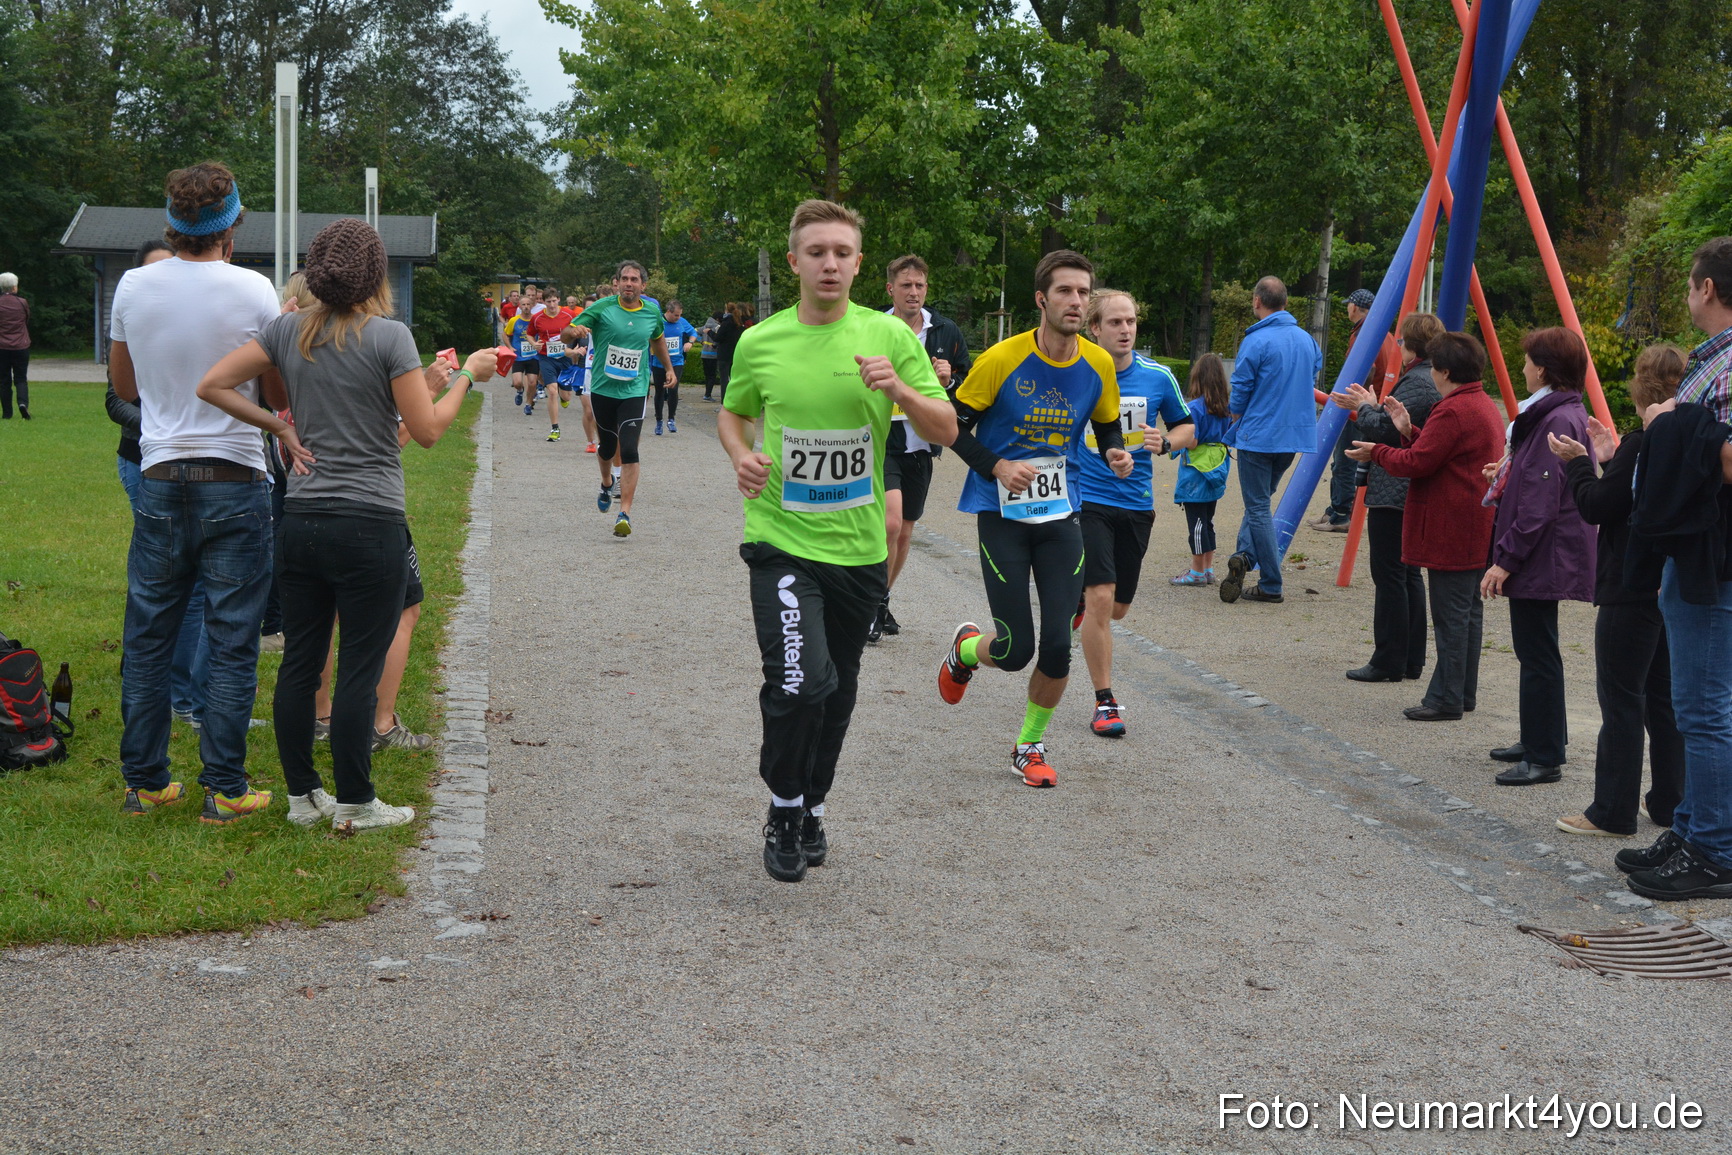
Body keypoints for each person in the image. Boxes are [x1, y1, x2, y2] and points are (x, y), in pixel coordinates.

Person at [197, 217, 495, 830]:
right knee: (360, 664)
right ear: (376, 275)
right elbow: (427, 430)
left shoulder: (287, 330)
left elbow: (213, 384)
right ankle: (357, 799)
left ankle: (303, 798)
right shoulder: (389, 337)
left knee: (301, 662)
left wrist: (277, 427)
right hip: (369, 523)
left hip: (303, 520)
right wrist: (468, 376)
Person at [718, 199, 954, 881]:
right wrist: (740, 455)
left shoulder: (889, 336)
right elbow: (734, 415)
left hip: (859, 551)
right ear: (795, 261)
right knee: (800, 682)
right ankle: (784, 807)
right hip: (781, 541)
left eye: (842, 253)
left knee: (839, 691)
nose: (829, 263)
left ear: (858, 264)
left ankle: (814, 804)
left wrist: (902, 392)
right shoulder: (760, 341)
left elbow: (944, 427)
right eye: (817, 252)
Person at [107, 162, 282, 823]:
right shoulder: (255, 289)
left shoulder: (133, 285)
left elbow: (125, 387)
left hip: (159, 476)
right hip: (234, 475)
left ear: (171, 223)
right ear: (232, 227)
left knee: (149, 636)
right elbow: (276, 391)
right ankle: (226, 789)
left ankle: (146, 782)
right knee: (233, 639)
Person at [937, 249, 1131, 788]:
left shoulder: (1098, 363)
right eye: (1065, 291)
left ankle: (1029, 745)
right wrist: (997, 466)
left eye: (1083, 292)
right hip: (1000, 512)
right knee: (1014, 649)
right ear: (1041, 300)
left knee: (1057, 644)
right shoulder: (1002, 358)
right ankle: (965, 649)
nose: (1076, 301)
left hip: (1061, 512)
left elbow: (1107, 424)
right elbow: (953, 425)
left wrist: (1114, 451)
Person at [1616, 236, 1732, 900]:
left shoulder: (1728, 365)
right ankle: (1692, 829)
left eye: (1690, 284)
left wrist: (1671, 425)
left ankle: (1715, 850)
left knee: (1705, 710)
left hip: (1712, 559)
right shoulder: (1711, 359)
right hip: (1692, 553)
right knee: (1695, 707)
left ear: (1707, 288)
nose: (1689, 294)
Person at [1545, 344, 1685, 838]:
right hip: (1668, 582)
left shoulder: (1641, 442)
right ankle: (1669, 801)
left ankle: (1612, 810)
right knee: (1663, 699)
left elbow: (1597, 506)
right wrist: (1608, 460)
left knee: (1622, 699)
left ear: (1642, 388)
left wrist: (1579, 462)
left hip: (1629, 584)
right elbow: (1636, 499)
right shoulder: (1684, 440)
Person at [1347, 332, 1505, 722]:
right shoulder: (1480, 403)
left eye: (1435, 366)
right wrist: (1407, 431)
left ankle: (1446, 697)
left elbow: (1418, 463)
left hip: (1451, 522)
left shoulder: (1454, 409)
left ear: (1446, 371)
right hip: (1473, 522)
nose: (1431, 373)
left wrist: (1378, 451)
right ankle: (1461, 692)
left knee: (1451, 615)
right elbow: (1437, 452)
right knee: (1467, 613)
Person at [1073, 289, 1194, 737]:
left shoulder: (1158, 377)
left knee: (1118, 608)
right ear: (1094, 329)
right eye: (1115, 323)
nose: (1125, 330)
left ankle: (1081, 604)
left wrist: (1167, 442)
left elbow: (1187, 427)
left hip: (1136, 504)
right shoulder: (1077, 373)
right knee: (1102, 598)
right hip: (1087, 500)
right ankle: (1105, 702)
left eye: (1131, 322)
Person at [1478, 328, 1596, 785]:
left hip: (1542, 553)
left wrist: (1505, 559)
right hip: (1544, 550)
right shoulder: (1556, 412)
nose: (1523, 367)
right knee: (1538, 648)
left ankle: (1544, 755)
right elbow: (1536, 482)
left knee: (1537, 653)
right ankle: (1540, 737)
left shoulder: (1555, 418)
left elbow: (1540, 504)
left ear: (1543, 369)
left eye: (1528, 360)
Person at [1332, 312, 1445, 682]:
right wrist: (1371, 404)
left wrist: (1364, 407)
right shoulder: (1426, 378)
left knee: (1390, 575)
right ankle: (1410, 658)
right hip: (1404, 487)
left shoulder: (1417, 380)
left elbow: (1386, 429)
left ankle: (1389, 659)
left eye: (1401, 340)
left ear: (1410, 344)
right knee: (1407, 574)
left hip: (1394, 489)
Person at [870, 253, 973, 642]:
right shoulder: (874, 328)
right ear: (890, 289)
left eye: (920, 285)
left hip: (921, 444)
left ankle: (880, 599)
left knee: (905, 531)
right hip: (882, 440)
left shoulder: (945, 331)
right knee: (890, 522)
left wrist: (950, 380)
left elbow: (966, 387)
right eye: (906, 285)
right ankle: (869, 601)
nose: (913, 292)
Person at [1219, 276, 1323, 605]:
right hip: (1293, 436)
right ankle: (1244, 556)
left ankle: (1271, 583)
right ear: (1286, 303)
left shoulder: (1256, 340)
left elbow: (1241, 387)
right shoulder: (1307, 340)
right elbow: (1312, 375)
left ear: (1257, 301)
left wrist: (1235, 415)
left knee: (1258, 506)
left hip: (1259, 435)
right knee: (1261, 502)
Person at [570, 260, 674, 537]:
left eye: (634, 279)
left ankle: (624, 513)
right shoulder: (602, 308)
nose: (629, 283)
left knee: (629, 449)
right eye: (625, 279)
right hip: (603, 389)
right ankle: (606, 483)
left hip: (635, 390)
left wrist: (668, 368)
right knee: (607, 448)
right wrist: (573, 331)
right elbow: (567, 331)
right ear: (617, 283)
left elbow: (657, 340)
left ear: (643, 285)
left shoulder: (651, 312)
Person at [1311, 288, 1397, 531]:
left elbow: (1368, 368)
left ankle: (1341, 513)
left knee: (1345, 458)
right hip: (1376, 405)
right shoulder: (1385, 333)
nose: (1347, 308)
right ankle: (1335, 508)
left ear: (1356, 307)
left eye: (1349, 304)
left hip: (1360, 407)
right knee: (1345, 458)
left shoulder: (1364, 333)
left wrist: (1353, 398)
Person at [1171, 354, 1234, 586]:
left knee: (1196, 524)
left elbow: (1192, 441)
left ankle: (1196, 572)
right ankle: (1208, 569)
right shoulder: (1226, 407)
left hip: (1196, 474)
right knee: (1207, 521)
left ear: (1197, 378)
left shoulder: (1194, 408)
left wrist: (1174, 437)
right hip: (1217, 468)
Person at [530, 290, 576, 440]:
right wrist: (534, 344)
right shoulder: (537, 318)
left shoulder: (569, 314)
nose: (551, 304)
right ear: (544, 302)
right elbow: (529, 334)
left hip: (565, 357)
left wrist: (575, 347)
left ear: (559, 300)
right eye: (548, 301)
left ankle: (564, 397)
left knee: (566, 396)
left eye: (554, 301)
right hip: (546, 357)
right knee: (552, 391)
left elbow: (578, 329)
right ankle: (555, 428)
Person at [655, 298, 697, 435]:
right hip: (659, 362)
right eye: (676, 315)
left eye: (680, 315)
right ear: (668, 311)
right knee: (660, 391)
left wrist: (690, 342)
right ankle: (659, 420)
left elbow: (693, 333)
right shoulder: (658, 322)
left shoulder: (682, 321)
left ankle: (671, 419)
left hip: (676, 362)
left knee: (673, 389)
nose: (678, 318)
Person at [0, 272, 30, 419]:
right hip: (21, 346)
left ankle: (7, 413)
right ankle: (23, 404)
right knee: (21, 378)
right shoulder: (22, 302)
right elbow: (26, 319)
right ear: (14, 287)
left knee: (3, 380)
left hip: (1, 347)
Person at [716, 301, 751, 405]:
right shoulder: (739, 322)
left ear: (726, 310)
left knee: (724, 379)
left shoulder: (726, 322)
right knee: (735, 378)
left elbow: (718, 337)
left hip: (724, 354)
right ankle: (736, 400)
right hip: (735, 353)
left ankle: (725, 401)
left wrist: (709, 332)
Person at [699, 309, 723, 400]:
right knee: (712, 376)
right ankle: (707, 395)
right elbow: (719, 338)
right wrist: (715, 345)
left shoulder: (704, 326)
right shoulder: (718, 327)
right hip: (713, 354)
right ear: (718, 319)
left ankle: (706, 394)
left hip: (704, 354)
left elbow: (695, 332)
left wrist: (701, 341)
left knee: (707, 376)